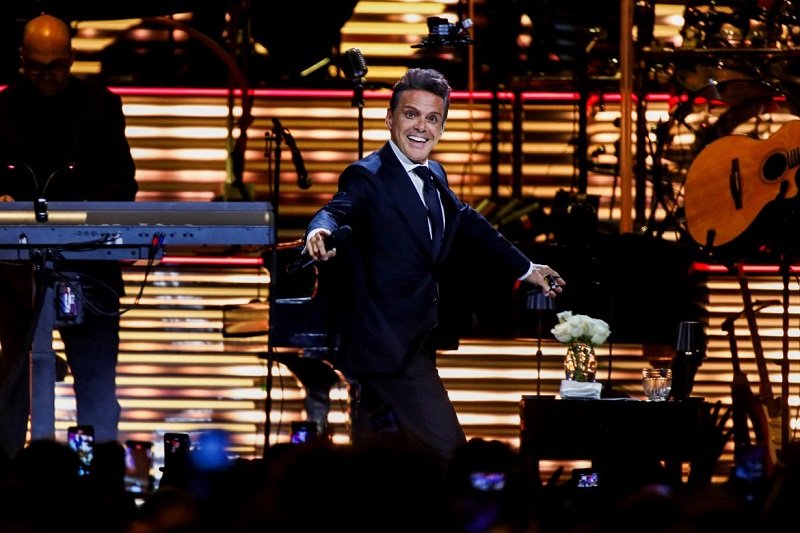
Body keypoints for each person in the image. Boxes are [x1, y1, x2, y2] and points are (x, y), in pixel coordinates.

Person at [302, 68, 565, 467]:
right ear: (390, 118)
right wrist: (319, 231)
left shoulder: (434, 174)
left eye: (432, 118)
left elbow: (469, 221)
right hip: (388, 345)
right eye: (411, 115)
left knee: (374, 466)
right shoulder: (368, 175)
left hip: (418, 336)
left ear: (441, 127)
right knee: (452, 456)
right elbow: (337, 210)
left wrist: (527, 268)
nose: (421, 127)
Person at [0, 13, 138, 462]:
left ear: (72, 59)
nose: (46, 76)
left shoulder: (99, 107)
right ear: (21, 59)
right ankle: (11, 477)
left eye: (56, 66)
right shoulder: (3, 109)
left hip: (89, 268)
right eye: (36, 67)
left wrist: (79, 216)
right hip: (17, 274)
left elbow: (122, 185)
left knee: (96, 384)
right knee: (12, 385)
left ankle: (95, 479)